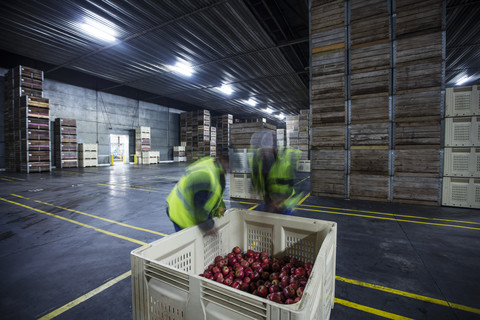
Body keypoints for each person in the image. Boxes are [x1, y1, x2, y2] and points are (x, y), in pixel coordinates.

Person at [166, 156, 226, 232]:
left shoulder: (218, 170)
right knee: (187, 241)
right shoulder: (206, 175)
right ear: (224, 159)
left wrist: (221, 208)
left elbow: (215, 195)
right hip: (182, 215)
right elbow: (199, 208)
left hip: (190, 213)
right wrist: (208, 226)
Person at [249, 131, 303, 214]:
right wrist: (256, 192)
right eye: (263, 151)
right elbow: (256, 179)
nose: (266, 154)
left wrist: (280, 203)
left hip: (285, 205)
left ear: (275, 148)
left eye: (268, 151)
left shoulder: (288, 158)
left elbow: (298, 187)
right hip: (268, 202)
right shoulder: (258, 158)